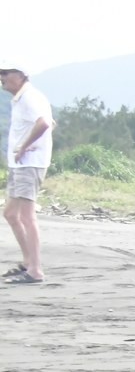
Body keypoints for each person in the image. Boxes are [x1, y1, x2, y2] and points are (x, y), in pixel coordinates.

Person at [3, 67, 54, 284]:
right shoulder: (22, 98)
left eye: (6, 73)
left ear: (21, 75)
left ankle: (35, 271)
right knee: (11, 214)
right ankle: (27, 262)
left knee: (26, 216)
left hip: (29, 165)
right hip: (20, 164)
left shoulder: (29, 97)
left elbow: (43, 123)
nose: (1, 77)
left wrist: (25, 146)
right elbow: (51, 123)